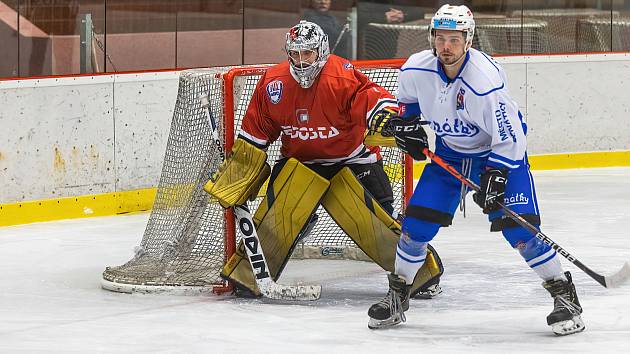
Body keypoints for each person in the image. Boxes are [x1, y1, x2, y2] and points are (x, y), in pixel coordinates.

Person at [365, 4, 585, 336]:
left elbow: (511, 137)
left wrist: (496, 176)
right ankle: (398, 295)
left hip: (498, 157)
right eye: (440, 38)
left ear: (468, 40)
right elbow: (407, 107)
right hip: (450, 157)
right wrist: (407, 128)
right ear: (432, 38)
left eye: (454, 39)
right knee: (414, 229)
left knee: (520, 232)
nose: (446, 47)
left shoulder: (484, 81)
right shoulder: (415, 69)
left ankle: (564, 295)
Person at [205, 20, 444, 299]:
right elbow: (256, 134)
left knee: (377, 226)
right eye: (295, 53)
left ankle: (419, 276)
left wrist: (389, 120)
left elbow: (372, 100)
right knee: (277, 219)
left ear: (322, 51)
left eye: (307, 53)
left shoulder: (340, 77)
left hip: (353, 162)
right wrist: (239, 172)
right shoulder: (274, 84)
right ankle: (251, 275)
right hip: (300, 165)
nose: (301, 61)